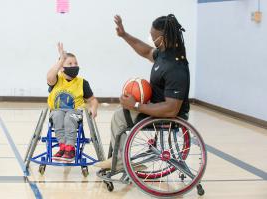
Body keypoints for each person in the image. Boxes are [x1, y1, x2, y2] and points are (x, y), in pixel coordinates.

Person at [95, 14, 190, 170]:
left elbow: (171, 109)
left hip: (168, 115)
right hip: (156, 108)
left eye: (154, 37)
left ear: (164, 38)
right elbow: (146, 51)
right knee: (122, 110)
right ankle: (118, 158)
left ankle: (120, 162)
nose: (152, 40)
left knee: (120, 116)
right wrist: (124, 35)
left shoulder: (175, 67)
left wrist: (136, 105)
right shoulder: (164, 54)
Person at [47, 42, 99, 162]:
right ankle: (63, 146)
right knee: (57, 115)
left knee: (69, 117)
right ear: (61, 67)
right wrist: (61, 59)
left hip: (75, 111)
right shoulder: (56, 79)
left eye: (76, 63)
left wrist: (94, 107)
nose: (74, 66)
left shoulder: (82, 82)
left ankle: (70, 148)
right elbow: (49, 77)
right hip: (58, 110)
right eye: (69, 63)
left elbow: (93, 100)